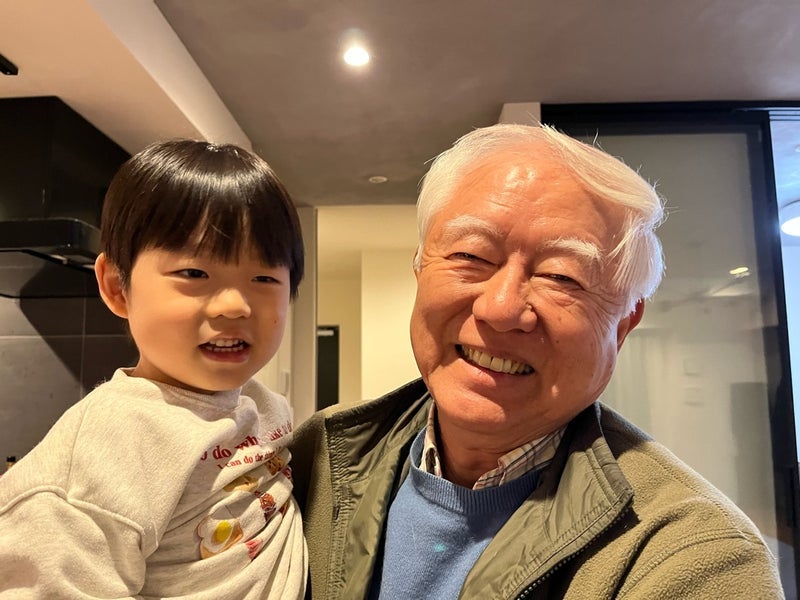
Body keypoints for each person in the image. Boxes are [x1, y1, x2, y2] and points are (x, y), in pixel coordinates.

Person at [291, 123, 785, 599]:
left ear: (624, 324)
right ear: (420, 269)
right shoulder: (316, 458)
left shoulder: (695, 557)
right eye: (471, 256)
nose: (501, 308)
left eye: (562, 277)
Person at [0, 140, 307, 599]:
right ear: (116, 287)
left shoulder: (266, 406)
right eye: (194, 274)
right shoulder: (106, 451)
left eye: (264, 278)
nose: (235, 305)